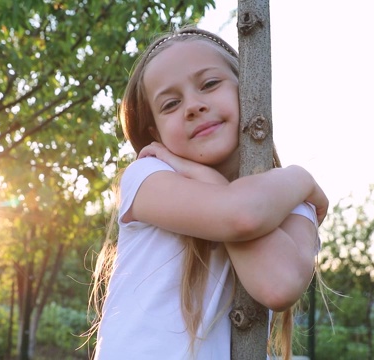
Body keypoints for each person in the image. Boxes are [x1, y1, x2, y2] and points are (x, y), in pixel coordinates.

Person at [89, 26, 328, 359]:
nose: (193, 106)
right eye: (170, 104)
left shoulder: (291, 204)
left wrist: (206, 176)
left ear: (249, 90)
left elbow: (278, 285)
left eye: (210, 84)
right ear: (154, 132)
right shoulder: (147, 176)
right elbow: (240, 215)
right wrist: (303, 178)